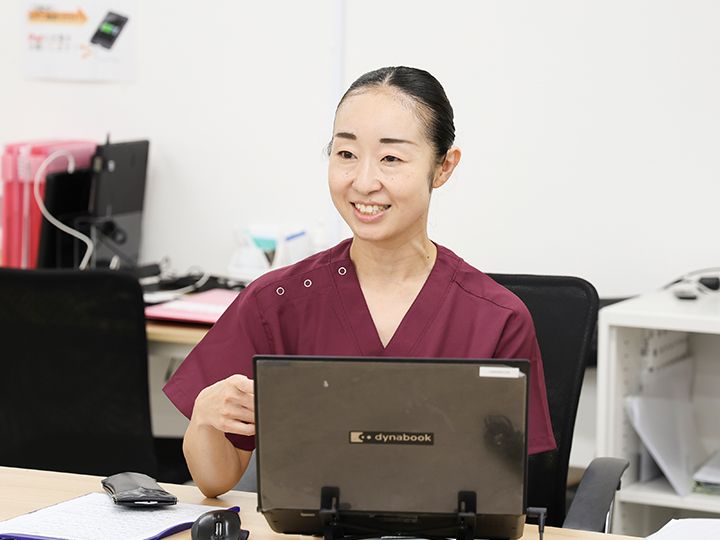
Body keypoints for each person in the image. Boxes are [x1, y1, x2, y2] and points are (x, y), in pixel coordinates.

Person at [163, 66, 556, 498]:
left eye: (391, 158)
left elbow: (507, 490)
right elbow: (215, 481)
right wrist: (205, 416)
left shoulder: (496, 319)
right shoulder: (275, 302)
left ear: (443, 167)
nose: (364, 182)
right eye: (346, 154)